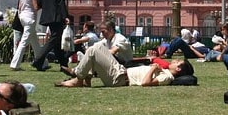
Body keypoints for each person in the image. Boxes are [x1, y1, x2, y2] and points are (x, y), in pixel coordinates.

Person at [55, 43, 193, 88]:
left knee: (92, 51)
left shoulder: (167, 77)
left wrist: (152, 69)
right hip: (121, 71)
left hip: (119, 78)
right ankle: (84, 77)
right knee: (98, 46)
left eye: (176, 62)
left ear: (179, 69)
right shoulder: (165, 71)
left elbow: (145, 83)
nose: (173, 61)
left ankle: (77, 75)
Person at [32, 0, 70, 72]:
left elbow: (40, 2)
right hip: (56, 15)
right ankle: (38, 59)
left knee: (57, 41)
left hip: (47, 15)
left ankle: (63, 64)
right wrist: (65, 16)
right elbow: (60, 1)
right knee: (54, 38)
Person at [10, 0, 42, 71]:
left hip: (23, 17)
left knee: (35, 42)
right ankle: (15, 64)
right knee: (24, 42)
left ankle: (42, 63)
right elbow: (36, 7)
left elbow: (19, 7)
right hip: (30, 18)